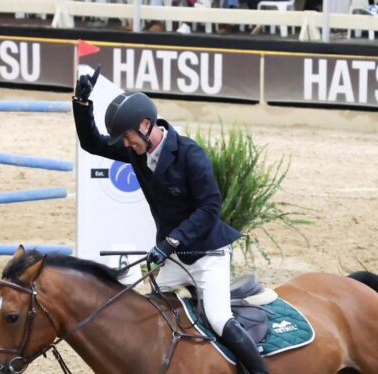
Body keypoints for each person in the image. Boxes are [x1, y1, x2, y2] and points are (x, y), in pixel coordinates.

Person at [72, 66, 269, 374]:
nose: (125, 145)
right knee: (153, 321)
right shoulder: (138, 152)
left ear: (146, 125)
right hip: (175, 261)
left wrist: (171, 242)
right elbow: (92, 143)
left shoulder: (190, 154)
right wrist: (82, 105)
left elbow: (210, 207)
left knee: (218, 318)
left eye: (127, 137)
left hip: (207, 256)